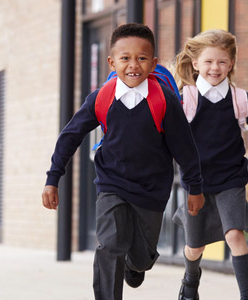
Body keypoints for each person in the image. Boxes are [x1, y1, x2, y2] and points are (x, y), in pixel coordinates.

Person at [41, 23, 205, 300]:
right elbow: (70, 136)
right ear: (112, 61)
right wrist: (52, 178)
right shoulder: (101, 98)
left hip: (152, 188)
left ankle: (134, 264)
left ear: (153, 63)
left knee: (141, 257)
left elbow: (185, 148)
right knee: (109, 245)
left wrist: (195, 188)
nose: (133, 65)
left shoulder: (163, 100)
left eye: (142, 58)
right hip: (111, 182)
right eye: (125, 58)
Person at [170, 29, 248, 300]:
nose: (215, 68)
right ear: (195, 64)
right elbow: (167, 137)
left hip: (231, 179)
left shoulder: (239, 99)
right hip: (197, 183)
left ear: (231, 64)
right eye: (208, 62)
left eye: (221, 62)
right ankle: (190, 280)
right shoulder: (186, 99)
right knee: (194, 247)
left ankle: (247, 297)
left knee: (235, 236)